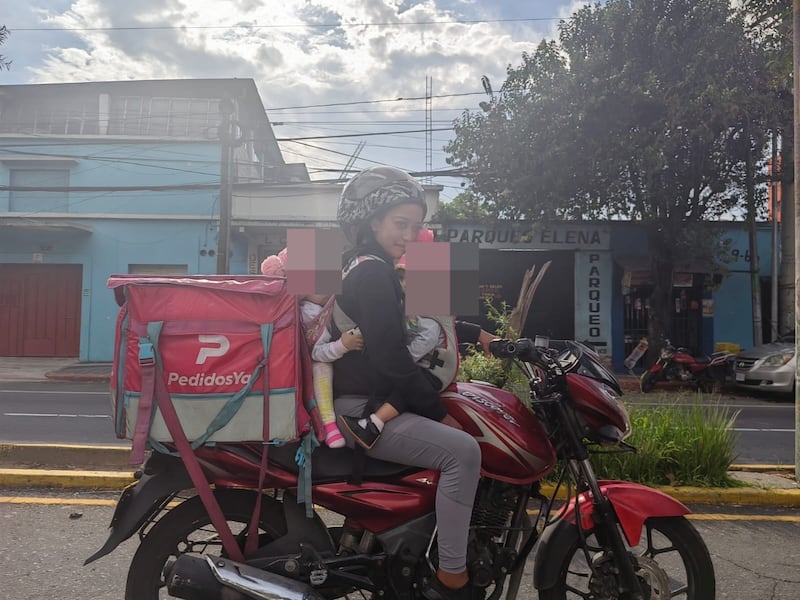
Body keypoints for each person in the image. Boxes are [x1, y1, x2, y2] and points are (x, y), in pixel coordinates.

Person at [332, 165, 482, 600]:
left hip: (365, 399)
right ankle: (452, 578)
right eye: (401, 224)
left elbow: (424, 326)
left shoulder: (367, 267)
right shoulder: (374, 273)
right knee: (464, 451)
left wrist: (480, 337)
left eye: (416, 227)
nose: (410, 235)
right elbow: (392, 357)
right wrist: (438, 413)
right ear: (372, 221)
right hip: (362, 407)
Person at [260, 249, 363, 448]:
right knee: (322, 368)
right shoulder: (311, 312)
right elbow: (317, 352)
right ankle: (329, 424)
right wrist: (343, 345)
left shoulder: (321, 305)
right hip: (311, 362)